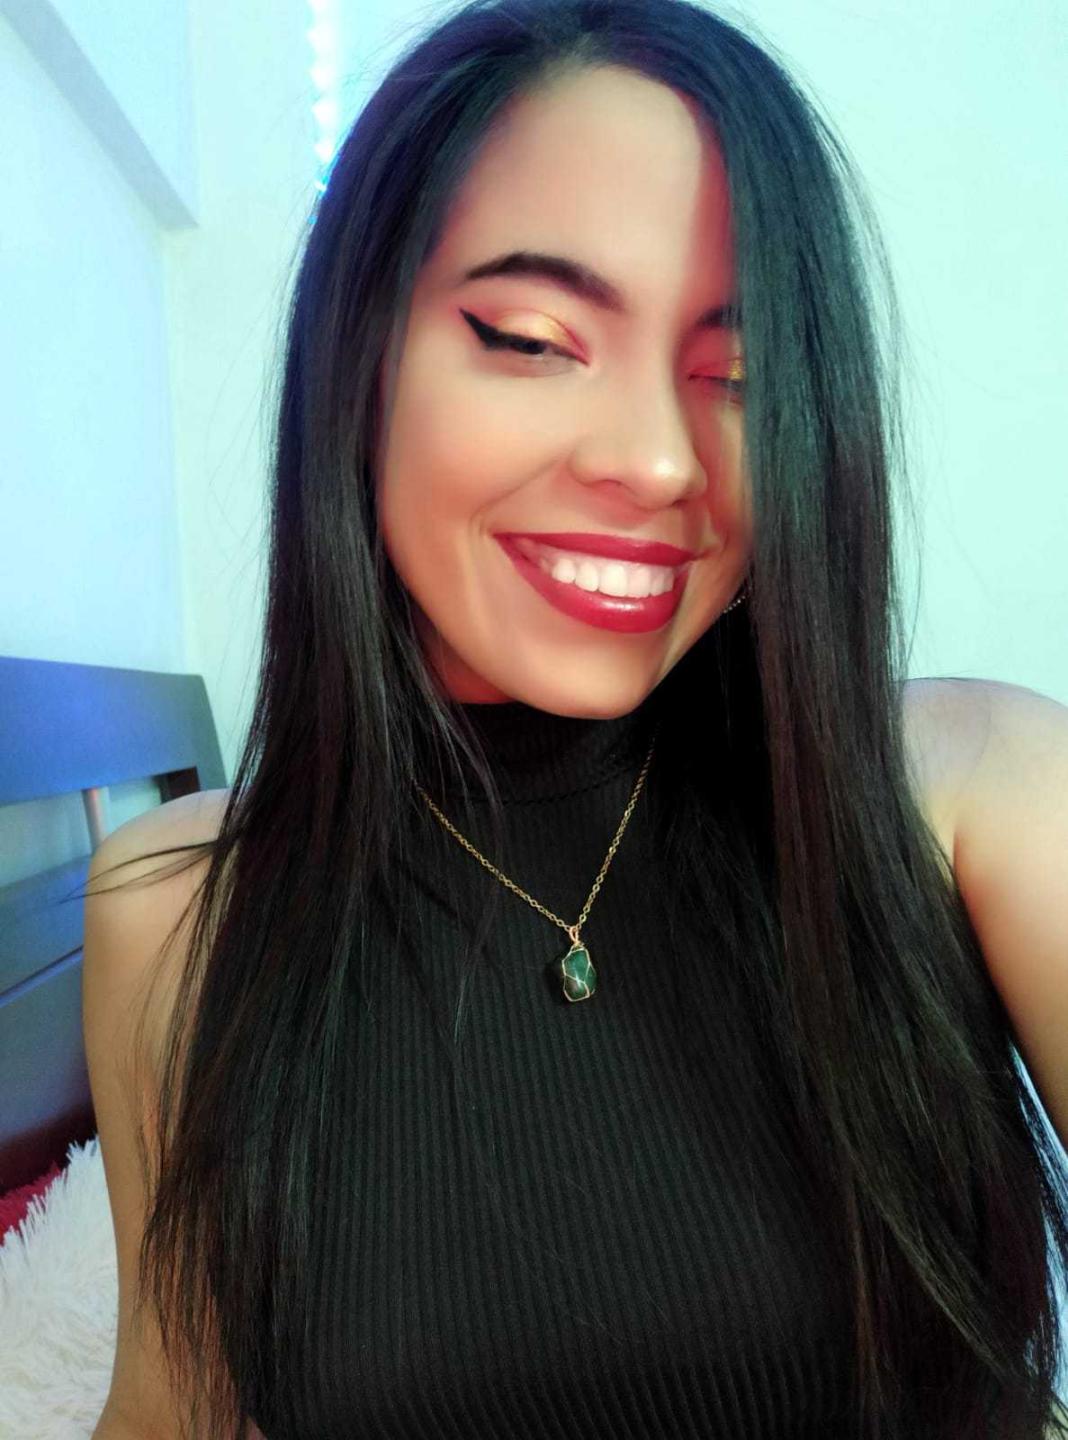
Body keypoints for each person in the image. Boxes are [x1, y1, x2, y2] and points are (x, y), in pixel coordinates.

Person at [82, 1, 1068, 1437]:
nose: (663, 462)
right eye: (534, 340)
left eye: (739, 378)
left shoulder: (975, 793)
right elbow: (172, 1408)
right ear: (360, 356)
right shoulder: (184, 914)